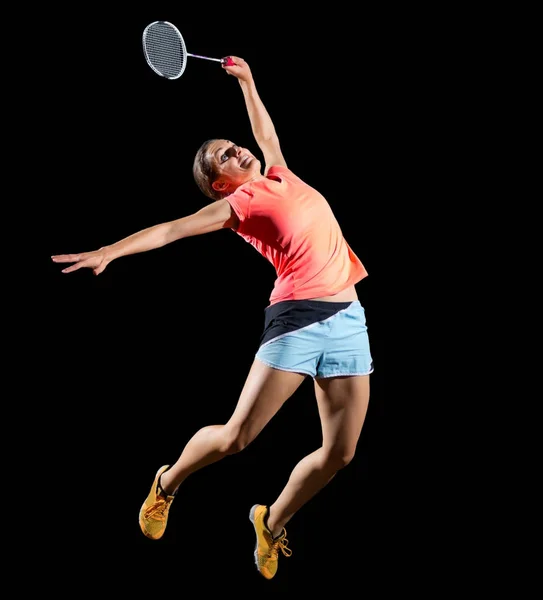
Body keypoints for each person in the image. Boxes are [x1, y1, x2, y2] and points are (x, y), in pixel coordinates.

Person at [51, 56, 373, 580]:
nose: (236, 149)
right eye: (224, 155)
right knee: (236, 438)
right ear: (220, 183)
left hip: (347, 318)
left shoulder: (279, 173)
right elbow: (171, 230)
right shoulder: (240, 203)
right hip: (296, 318)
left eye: (232, 144)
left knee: (341, 453)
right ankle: (168, 483)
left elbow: (263, 131)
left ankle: (271, 523)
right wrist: (111, 249)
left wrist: (247, 83)